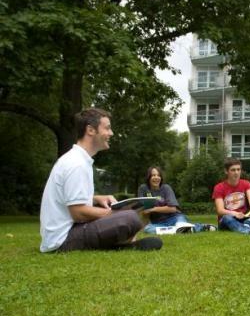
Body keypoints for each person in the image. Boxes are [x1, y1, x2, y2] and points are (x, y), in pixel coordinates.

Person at [40, 108, 162, 252]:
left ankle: (121, 244)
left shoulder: (78, 160)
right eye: (107, 128)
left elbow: (69, 199)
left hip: (70, 231)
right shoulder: (76, 164)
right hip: (63, 240)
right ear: (91, 130)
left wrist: (97, 199)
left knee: (127, 216)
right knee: (130, 218)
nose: (111, 133)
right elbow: (78, 213)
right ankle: (122, 245)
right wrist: (114, 214)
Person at [138, 166, 216, 233]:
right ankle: (183, 230)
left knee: (181, 224)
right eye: (153, 175)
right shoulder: (143, 189)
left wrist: (153, 209)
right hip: (158, 223)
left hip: (175, 218)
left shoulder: (166, 188)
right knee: (148, 229)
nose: (156, 177)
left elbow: (172, 209)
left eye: (158, 175)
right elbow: (141, 209)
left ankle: (199, 227)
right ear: (149, 177)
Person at [212, 158, 250, 235]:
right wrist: (235, 214)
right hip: (229, 219)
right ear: (226, 171)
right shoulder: (219, 187)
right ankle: (249, 231)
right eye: (233, 170)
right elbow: (220, 210)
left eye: (238, 169)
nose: (236, 172)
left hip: (245, 217)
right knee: (226, 217)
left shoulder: (245, 183)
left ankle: (247, 224)